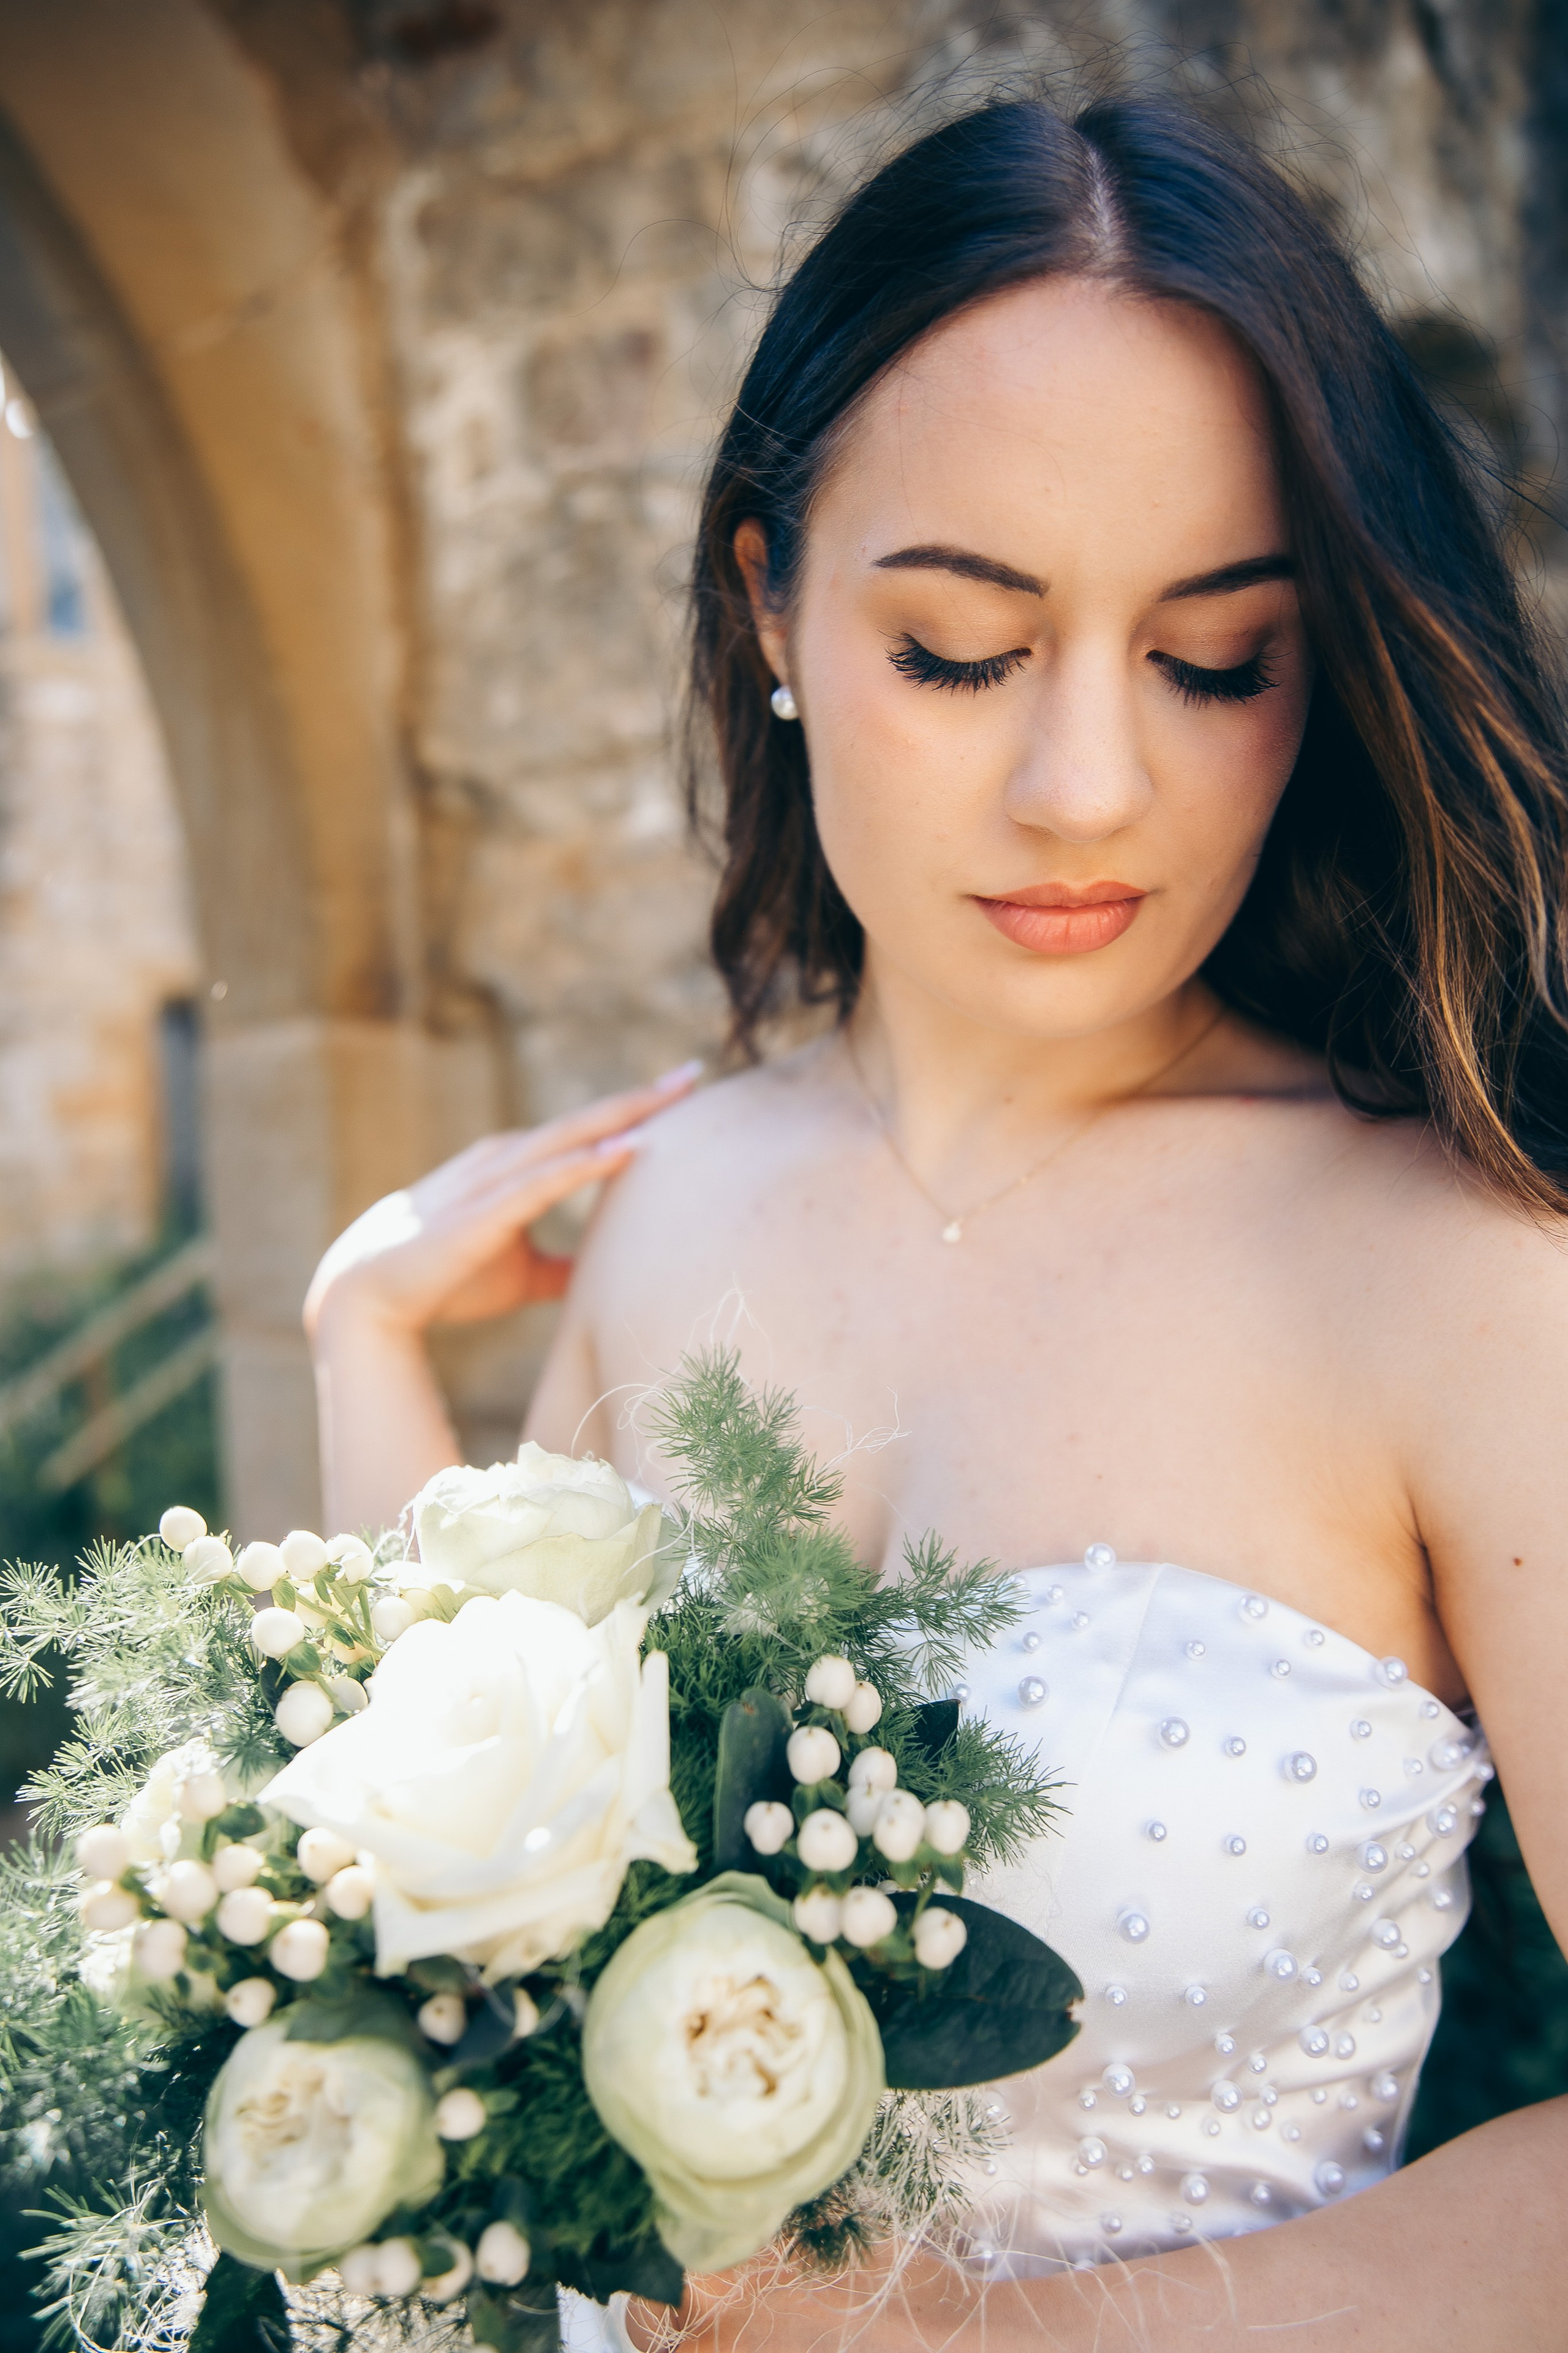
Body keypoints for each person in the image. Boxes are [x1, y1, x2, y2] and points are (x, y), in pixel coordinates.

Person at [304, 93, 1568, 2349]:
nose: (1091, 782)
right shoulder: (677, 1194)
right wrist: (364, 1349)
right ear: (771, 601)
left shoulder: (1455, 1279)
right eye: (966, 648)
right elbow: (476, 1919)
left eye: (1214, 659)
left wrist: (989, 2341)